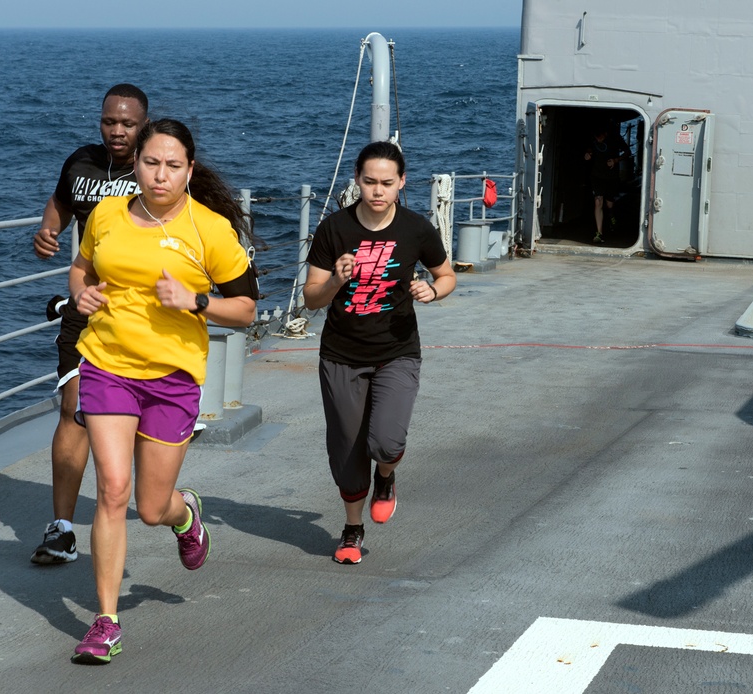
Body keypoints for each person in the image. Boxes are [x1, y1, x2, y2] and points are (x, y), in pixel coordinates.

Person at [67, 118, 258, 664]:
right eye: (151, 163)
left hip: (172, 379)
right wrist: (81, 296)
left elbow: (246, 309)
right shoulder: (106, 214)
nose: (161, 175)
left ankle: (184, 516)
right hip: (107, 364)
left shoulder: (210, 230)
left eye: (173, 166)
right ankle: (105, 621)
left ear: (189, 171)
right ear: (136, 164)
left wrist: (196, 302)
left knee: (150, 507)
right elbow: (80, 271)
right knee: (112, 489)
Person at [303, 141, 457, 565]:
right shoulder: (335, 229)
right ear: (357, 180)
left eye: (387, 183)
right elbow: (312, 298)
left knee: (385, 442)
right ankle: (352, 528)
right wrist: (336, 280)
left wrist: (433, 290)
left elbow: (446, 276)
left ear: (401, 183)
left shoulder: (416, 229)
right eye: (369, 181)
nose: (377, 191)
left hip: (397, 350)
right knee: (347, 451)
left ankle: (386, 478)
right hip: (341, 354)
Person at [30, 84, 149, 565]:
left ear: (144, 124)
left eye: (127, 123)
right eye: (109, 122)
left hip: (142, 317)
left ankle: (163, 506)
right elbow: (60, 202)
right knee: (72, 409)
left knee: (138, 424)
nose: (117, 131)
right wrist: (48, 230)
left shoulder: (156, 167)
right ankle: (61, 529)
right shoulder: (80, 163)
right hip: (86, 309)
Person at [584, 121, 629, 243]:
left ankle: (611, 215)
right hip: (597, 175)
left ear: (605, 134)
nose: (598, 140)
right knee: (598, 202)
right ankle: (599, 233)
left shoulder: (615, 139)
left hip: (611, 176)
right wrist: (588, 154)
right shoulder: (593, 139)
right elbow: (589, 148)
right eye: (596, 137)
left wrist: (616, 160)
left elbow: (627, 152)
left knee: (609, 204)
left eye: (600, 137)